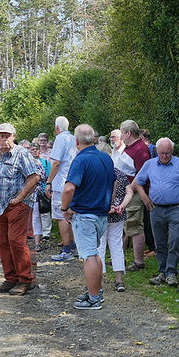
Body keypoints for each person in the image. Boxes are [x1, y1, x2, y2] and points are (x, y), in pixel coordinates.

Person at [61, 124, 115, 310]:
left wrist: (64, 208)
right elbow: (113, 184)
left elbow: (69, 188)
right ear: (94, 139)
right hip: (101, 214)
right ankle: (96, 292)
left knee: (89, 255)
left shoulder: (80, 160)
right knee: (96, 253)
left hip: (85, 215)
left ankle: (93, 298)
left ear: (76, 141)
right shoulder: (106, 158)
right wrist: (108, 202)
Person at [0, 123, 46, 296]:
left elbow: (35, 177)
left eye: (6, 135)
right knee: (3, 242)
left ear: (13, 136)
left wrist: (20, 198)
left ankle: (26, 280)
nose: (3, 138)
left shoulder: (21, 153)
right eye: (0, 135)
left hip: (17, 205)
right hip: (0, 205)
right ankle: (11, 278)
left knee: (16, 241)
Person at [132, 137, 179, 286]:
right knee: (159, 242)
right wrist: (145, 198)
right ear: (156, 151)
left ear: (172, 151)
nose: (165, 156)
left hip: (176, 209)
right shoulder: (150, 164)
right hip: (156, 208)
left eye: (168, 153)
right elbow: (138, 182)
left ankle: (171, 272)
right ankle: (162, 272)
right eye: (162, 153)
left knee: (175, 240)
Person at [117, 120, 153, 271]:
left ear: (128, 133)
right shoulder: (130, 148)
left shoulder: (140, 150)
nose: (120, 136)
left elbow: (142, 175)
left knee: (134, 226)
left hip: (134, 193)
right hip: (126, 192)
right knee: (126, 227)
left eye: (121, 132)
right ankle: (120, 259)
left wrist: (129, 190)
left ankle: (139, 262)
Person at [46, 116, 78, 261]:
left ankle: (66, 249)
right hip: (73, 181)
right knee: (71, 215)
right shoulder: (73, 138)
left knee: (61, 216)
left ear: (57, 128)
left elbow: (56, 163)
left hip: (61, 184)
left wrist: (48, 182)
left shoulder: (60, 139)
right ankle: (73, 245)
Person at [101, 167, 130, 292]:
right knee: (117, 245)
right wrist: (121, 206)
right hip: (118, 214)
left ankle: (98, 280)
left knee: (99, 246)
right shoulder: (120, 173)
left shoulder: (96, 172)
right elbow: (130, 192)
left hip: (100, 213)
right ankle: (119, 280)